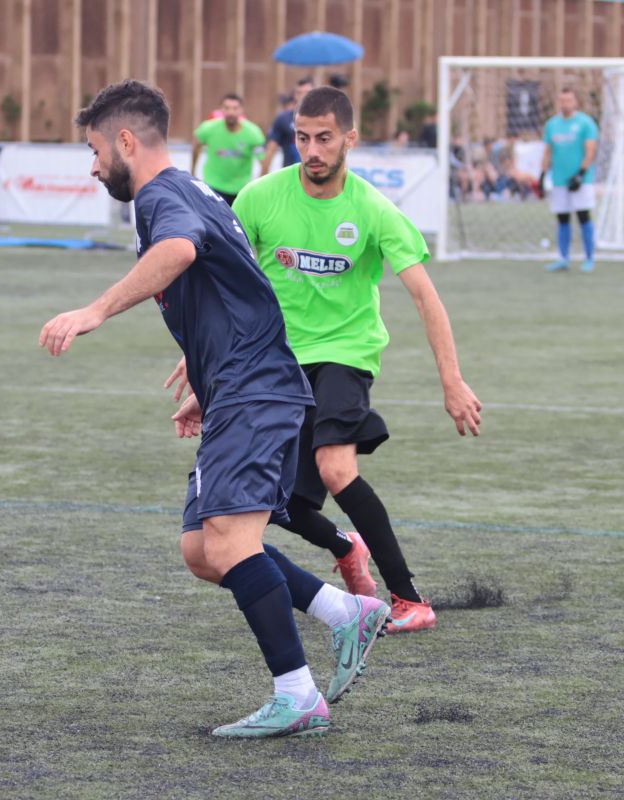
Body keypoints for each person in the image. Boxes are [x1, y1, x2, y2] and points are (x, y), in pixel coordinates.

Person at [40, 80, 390, 739]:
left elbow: (179, 252)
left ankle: (297, 695)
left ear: (125, 141)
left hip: (256, 391)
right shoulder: (194, 191)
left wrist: (94, 311)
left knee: (230, 541)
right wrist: (206, 376)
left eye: (94, 151)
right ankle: (346, 613)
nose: (93, 167)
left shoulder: (160, 197)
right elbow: (240, 286)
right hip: (240, 387)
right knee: (203, 549)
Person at [166, 87, 482, 634]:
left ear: (349, 140)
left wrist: (451, 382)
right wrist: (199, 361)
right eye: (303, 138)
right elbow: (222, 284)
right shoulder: (260, 198)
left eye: (325, 139)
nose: (312, 150)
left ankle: (409, 599)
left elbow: (425, 297)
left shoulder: (373, 209)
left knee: (336, 468)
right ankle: (345, 546)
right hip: (276, 362)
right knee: (278, 502)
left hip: (345, 353)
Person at [541, 88, 598, 272]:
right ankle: (563, 258)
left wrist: (581, 174)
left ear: (576, 102)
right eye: (562, 100)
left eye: (568, 100)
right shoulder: (552, 124)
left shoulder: (585, 123)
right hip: (559, 179)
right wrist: (543, 174)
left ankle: (589, 258)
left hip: (581, 179)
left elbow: (590, 150)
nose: (565, 104)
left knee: (583, 216)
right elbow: (548, 151)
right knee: (562, 218)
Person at [190, 93, 265, 205]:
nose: (231, 112)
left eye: (235, 108)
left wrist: (259, 185)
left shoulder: (253, 134)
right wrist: (192, 171)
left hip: (241, 189)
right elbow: (196, 145)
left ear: (241, 110)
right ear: (221, 110)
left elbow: (263, 161)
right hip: (214, 185)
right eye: (227, 108)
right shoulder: (208, 129)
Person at [261, 77, 314, 175]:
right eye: (299, 93)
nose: (303, 96)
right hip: (291, 176)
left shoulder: (325, 119)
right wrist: (262, 178)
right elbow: (270, 150)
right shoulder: (283, 119)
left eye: (307, 92)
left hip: (316, 176)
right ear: (295, 95)